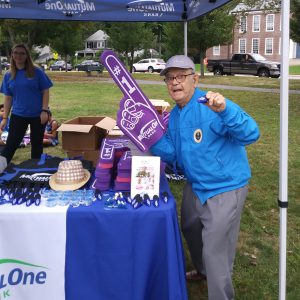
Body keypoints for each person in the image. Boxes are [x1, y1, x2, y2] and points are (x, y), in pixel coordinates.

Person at [150, 55, 260, 300]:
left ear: (195, 79)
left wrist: (225, 110)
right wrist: (151, 138)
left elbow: (251, 133)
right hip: (197, 183)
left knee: (215, 252)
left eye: (181, 76)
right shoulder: (176, 114)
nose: (175, 82)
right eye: (169, 78)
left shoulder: (211, 106)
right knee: (189, 227)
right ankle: (201, 270)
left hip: (225, 185)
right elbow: (175, 153)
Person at [0, 43, 53, 168]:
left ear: (27, 56)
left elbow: (45, 91)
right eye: (16, 52)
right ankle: (1, 167)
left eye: (22, 53)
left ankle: (34, 170)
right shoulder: (8, 75)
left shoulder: (36, 72)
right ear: (12, 55)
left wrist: (44, 111)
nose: (18, 55)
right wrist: (5, 118)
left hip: (38, 115)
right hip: (18, 115)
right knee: (12, 143)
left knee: (36, 144)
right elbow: (8, 97)